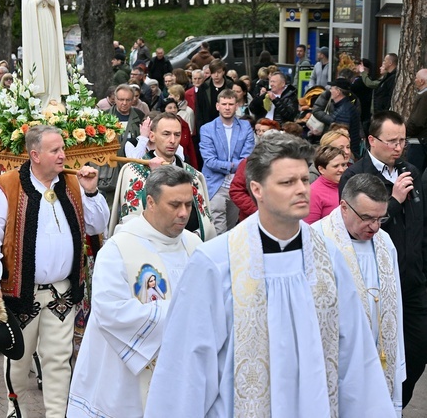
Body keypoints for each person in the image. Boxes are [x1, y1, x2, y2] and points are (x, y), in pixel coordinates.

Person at [145, 132, 397, 417]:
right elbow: (187, 364)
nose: (302, 189)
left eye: (304, 179)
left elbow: (355, 354)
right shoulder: (216, 263)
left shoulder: (329, 259)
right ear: (257, 189)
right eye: (287, 182)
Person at [0, 125, 110, 418]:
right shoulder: (8, 186)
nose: (63, 155)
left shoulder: (73, 184)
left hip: (62, 291)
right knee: (18, 358)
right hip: (21, 293)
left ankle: (57, 414)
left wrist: (91, 192)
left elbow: (98, 226)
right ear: (35, 155)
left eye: (63, 149)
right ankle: (16, 410)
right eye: (55, 151)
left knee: (59, 359)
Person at [68, 166, 202, 417]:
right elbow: (110, 311)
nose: (184, 213)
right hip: (125, 377)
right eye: (175, 205)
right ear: (150, 202)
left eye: (188, 204)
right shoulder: (120, 248)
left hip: (180, 370)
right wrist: (180, 311)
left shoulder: (194, 245)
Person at [339, 111, 427, 407]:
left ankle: (395, 405)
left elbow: (422, 226)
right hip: (376, 287)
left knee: (417, 351)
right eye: (392, 141)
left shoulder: (411, 172)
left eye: (402, 140)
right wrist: (394, 201)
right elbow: (357, 229)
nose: (399, 147)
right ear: (372, 141)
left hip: (414, 283)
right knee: (376, 354)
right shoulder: (356, 176)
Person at [313, 174, 405, 414]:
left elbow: (396, 308)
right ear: (344, 207)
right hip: (336, 359)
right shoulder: (317, 241)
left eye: (380, 218)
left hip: (379, 355)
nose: (374, 226)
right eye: (367, 218)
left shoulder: (385, 243)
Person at [109, 113, 215, 241]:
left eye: (177, 135)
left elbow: (205, 221)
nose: (172, 140)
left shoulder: (193, 175)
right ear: (152, 136)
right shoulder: (132, 172)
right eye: (166, 134)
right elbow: (130, 220)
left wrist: (195, 237)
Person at [21, 0, 68, 106]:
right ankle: (41, 97)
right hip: (36, 25)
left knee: (51, 57)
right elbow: (27, 7)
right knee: (39, 56)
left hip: (48, 22)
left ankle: (52, 95)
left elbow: (55, 4)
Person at [199, 89, 255, 234]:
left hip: (237, 184)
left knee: (231, 227)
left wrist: (230, 166)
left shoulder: (245, 127)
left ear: (236, 106)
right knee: (219, 228)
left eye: (231, 104)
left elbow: (247, 157)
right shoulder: (207, 129)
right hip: (215, 184)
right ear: (218, 106)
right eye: (224, 104)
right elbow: (210, 161)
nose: (227, 107)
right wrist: (233, 166)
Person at [305, 146, 347, 224]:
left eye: (343, 165)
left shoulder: (348, 184)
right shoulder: (313, 192)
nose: (341, 170)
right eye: (336, 166)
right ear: (321, 169)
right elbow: (310, 227)